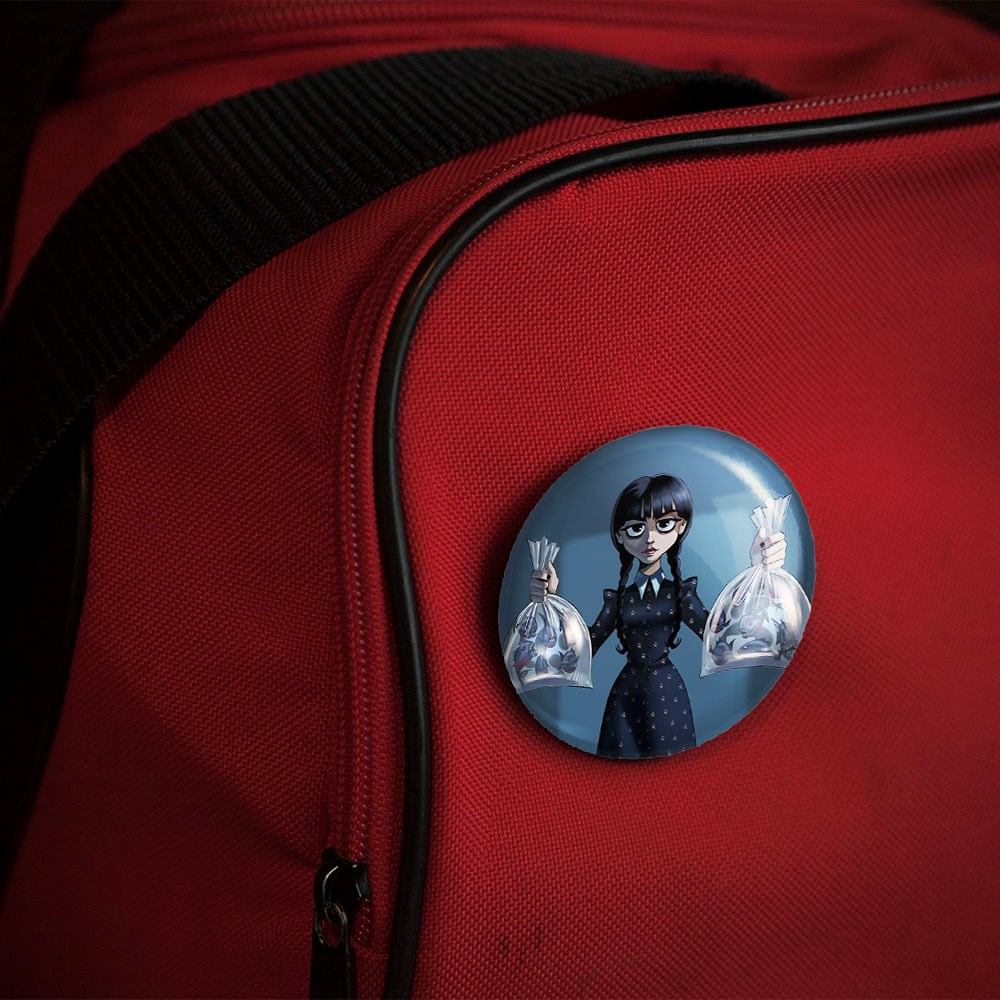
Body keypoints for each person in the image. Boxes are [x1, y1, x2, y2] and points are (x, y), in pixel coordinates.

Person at [530, 475, 785, 759]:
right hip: (625, 694)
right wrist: (551, 602)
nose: (650, 539)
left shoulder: (681, 594)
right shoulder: (618, 599)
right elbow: (585, 648)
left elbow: (718, 637)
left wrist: (757, 571)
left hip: (667, 692)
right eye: (636, 529)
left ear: (681, 526)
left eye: (663, 525)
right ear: (620, 536)